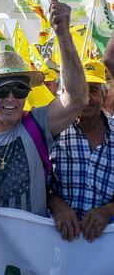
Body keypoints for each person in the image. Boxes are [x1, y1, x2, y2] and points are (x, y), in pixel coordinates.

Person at [0, 0, 87, 217]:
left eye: (19, 90)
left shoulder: (36, 124)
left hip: (31, 249)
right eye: (0, 90)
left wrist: (63, 35)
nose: (10, 98)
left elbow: (77, 99)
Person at [49, 59, 114, 242]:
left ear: (104, 94)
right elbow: (37, 187)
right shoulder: (54, 133)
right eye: (80, 90)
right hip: (58, 248)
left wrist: (107, 211)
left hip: (106, 254)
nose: (85, 98)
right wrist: (55, 204)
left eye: (92, 90)